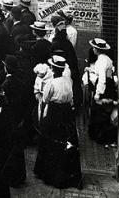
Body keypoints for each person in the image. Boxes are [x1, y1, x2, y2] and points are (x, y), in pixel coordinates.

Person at [34, 56, 82, 189]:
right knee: (66, 139)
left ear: (53, 69)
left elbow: (46, 99)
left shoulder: (51, 83)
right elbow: (71, 96)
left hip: (54, 113)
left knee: (50, 140)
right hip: (66, 113)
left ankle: (49, 173)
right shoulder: (69, 81)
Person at [86, 37, 117, 146]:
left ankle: (101, 137)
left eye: (94, 48)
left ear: (96, 49)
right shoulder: (107, 59)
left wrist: (98, 93)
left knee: (100, 112)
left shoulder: (100, 61)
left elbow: (102, 79)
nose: (93, 50)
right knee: (105, 111)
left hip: (104, 88)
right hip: (109, 86)